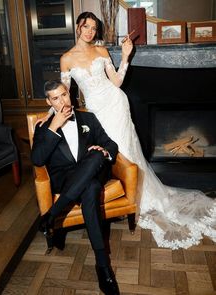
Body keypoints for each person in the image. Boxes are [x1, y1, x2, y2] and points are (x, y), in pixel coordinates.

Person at [39, 12, 216, 249]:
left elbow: (117, 82)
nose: (90, 31)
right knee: (105, 154)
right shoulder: (66, 59)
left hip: (117, 105)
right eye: (86, 26)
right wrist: (50, 115)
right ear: (78, 28)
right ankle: (111, 199)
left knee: (127, 153)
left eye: (94, 27)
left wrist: (125, 56)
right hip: (96, 113)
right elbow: (64, 95)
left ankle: (133, 198)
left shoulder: (102, 52)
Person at [31, 80, 120, 295]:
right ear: (48, 102)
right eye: (55, 98)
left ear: (69, 94)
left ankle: (53, 214)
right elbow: (37, 159)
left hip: (90, 168)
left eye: (63, 95)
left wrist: (104, 151)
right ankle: (102, 265)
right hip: (66, 178)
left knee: (96, 158)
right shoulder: (44, 126)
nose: (61, 101)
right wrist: (54, 126)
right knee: (90, 189)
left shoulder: (87, 118)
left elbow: (111, 144)